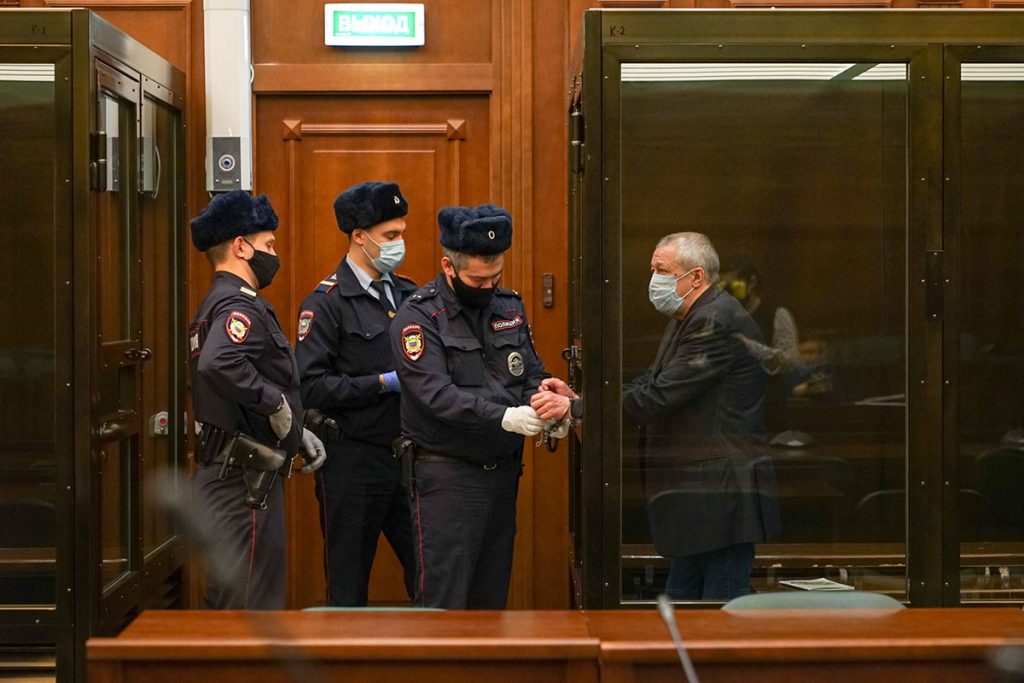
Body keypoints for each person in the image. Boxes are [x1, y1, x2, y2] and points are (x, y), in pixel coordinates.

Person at [391, 203, 565, 609]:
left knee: (491, 602)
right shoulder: (419, 317)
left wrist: (545, 403)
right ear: (448, 267)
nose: (488, 287)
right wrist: (505, 416)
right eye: (477, 279)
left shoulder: (509, 306)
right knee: (444, 603)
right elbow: (435, 395)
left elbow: (528, 372)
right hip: (447, 478)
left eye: (495, 277)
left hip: (502, 475)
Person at [621, 233, 779, 601]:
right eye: (652, 270)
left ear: (695, 277)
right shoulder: (690, 315)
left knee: (717, 620)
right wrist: (582, 399)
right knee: (682, 610)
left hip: (720, 498)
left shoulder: (714, 321)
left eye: (662, 270)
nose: (653, 280)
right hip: (700, 501)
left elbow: (659, 396)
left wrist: (580, 408)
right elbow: (653, 381)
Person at [188, 190, 326, 610]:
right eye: (269, 244)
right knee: (247, 608)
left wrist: (296, 430)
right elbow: (219, 362)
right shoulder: (237, 304)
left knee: (239, 601)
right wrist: (276, 406)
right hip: (241, 482)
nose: (274, 254)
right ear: (241, 246)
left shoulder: (221, 301)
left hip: (237, 473)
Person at [295, 181, 418, 606]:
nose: (399, 243)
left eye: (401, 233)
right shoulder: (326, 302)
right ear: (360, 236)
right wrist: (381, 383)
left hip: (408, 456)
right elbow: (309, 385)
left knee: (429, 575)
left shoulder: (408, 294)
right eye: (390, 235)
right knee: (347, 585)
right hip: (352, 461)